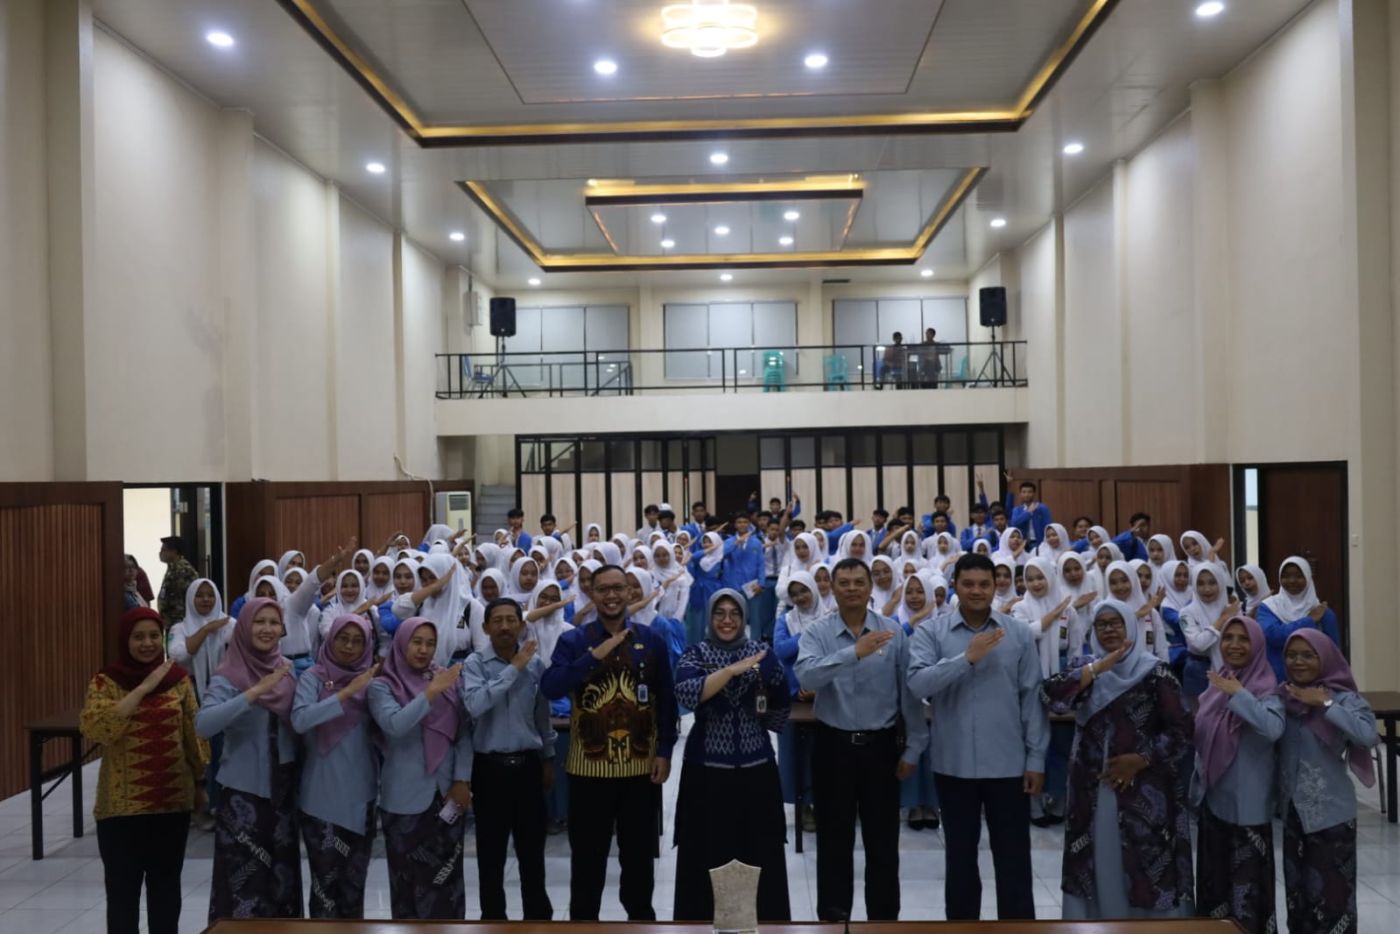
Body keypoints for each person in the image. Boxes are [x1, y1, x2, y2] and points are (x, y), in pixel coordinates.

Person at [906, 552, 1047, 920]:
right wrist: (965, 658)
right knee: (960, 860)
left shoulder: (1017, 633)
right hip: (954, 765)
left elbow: (1031, 698)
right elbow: (917, 683)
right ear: (955, 585)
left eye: (984, 584)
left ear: (996, 586)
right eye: (968, 583)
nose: (976, 591)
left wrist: (1036, 757)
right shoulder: (931, 632)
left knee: (1014, 860)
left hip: (1008, 765)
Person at [1040, 599, 1194, 919]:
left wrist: (1141, 759)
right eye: (1102, 624)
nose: (1109, 629)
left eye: (1116, 623)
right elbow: (1051, 696)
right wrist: (1097, 669)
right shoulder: (1086, 668)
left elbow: (1182, 731)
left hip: (1144, 791)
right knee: (1097, 858)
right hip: (1092, 789)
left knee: (1144, 863)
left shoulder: (1155, 672)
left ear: (1131, 627)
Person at [541, 564, 678, 921]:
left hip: (640, 770)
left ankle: (641, 923)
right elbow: (550, 687)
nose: (612, 595)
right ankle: (583, 926)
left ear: (630, 592)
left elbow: (666, 700)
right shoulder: (574, 640)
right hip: (588, 771)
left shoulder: (651, 640)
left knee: (639, 862)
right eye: (603, 589)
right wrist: (593, 657)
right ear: (592, 594)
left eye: (619, 588)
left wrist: (664, 750)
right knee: (588, 862)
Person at [795, 557, 927, 922]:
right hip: (832, 747)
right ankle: (833, 921)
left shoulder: (893, 632)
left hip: (880, 749)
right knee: (833, 842)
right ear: (832, 589)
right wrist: (853, 652)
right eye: (844, 583)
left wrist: (914, 746)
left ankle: (883, 924)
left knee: (882, 843)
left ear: (870, 589)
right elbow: (806, 676)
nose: (852, 589)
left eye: (859, 582)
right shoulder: (818, 633)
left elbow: (909, 695)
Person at [80, 607, 207, 934]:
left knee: (166, 895)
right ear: (125, 640)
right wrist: (142, 688)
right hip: (119, 811)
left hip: (171, 804)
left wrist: (200, 782)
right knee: (122, 897)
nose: (148, 643)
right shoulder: (106, 682)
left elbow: (193, 736)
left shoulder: (178, 680)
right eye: (138, 637)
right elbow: (98, 729)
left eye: (153, 636)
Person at [672, 590, 792, 921]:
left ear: (744, 618)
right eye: (719, 613)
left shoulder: (762, 654)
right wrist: (730, 671)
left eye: (734, 613)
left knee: (759, 851)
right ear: (710, 618)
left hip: (756, 770)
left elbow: (782, 697)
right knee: (705, 852)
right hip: (706, 773)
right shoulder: (696, 653)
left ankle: (762, 924)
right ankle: (702, 924)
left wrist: (760, 722)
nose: (727, 620)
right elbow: (686, 693)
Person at [195, 598, 303, 921]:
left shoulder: (287, 670)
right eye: (259, 621)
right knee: (244, 886)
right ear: (243, 627)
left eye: (274, 622)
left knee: (281, 884)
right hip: (244, 796)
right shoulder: (228, 674)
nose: (267, 629)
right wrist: (253, 693)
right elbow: (203, 725)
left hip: (283, 795)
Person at [1276, 629, 1379, 933]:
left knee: (1333, 900)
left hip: (1332, 815)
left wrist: (1326, 704)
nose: (1298, 662)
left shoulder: (1344, 698)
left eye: (1308, 655)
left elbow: (1368, 736)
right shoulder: (1284, 697)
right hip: (1293, 814)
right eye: (1291, 655)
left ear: (1325, 658)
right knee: (1298, 898)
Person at [461, 598, 557, 920]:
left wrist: (548, 758)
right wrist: (514, 668)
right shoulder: (475, 664)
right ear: (485, 627)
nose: (504, 626)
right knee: (491, 856)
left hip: (528, 766)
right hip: (489, 770)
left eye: (510, 620)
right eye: (497, 621)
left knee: (532, 854)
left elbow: (542, 716)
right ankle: (493, 921)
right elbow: (475, 705)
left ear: (521, 624)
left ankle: (537, 921)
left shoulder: (536, 664)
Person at [370, 618, 473, 919]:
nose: (424, 649)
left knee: (448, 882)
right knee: (407, 883)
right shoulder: (382, 685)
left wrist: (462, 779)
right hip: (404, 798)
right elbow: (394, 725)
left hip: (447, 794)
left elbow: (464, 732)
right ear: (402, 644)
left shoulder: (446, 679)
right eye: (417, 642)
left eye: (430, 643)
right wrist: (429, 693)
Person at [1191, 615, 1283, 933]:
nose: (1234, 645)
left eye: (1243, 639)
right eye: (1228, 638)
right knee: (1214, 886)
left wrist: (1239, 694)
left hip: (1248, 809)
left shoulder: (1266, 687)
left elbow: (1273, 729)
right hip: (1214, 801)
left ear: (1257, 645)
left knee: (1247, 892)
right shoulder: (1218, 684)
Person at [289, 614, 381, 918]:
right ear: (331, 639)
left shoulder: (373, 682)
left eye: (357, 641)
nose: (349, 647)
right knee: (324, 890)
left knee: (354, 888)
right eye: (343, 638)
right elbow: (300, 720)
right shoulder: (313, 677)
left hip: (361, 797)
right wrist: (345, 693)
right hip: (320, 797)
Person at [167, 578, 233, 828]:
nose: (206, 599)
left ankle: (218, 806)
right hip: (191, 694)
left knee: (220, 749)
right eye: (200, 595)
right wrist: (206, 630)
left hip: (223, 692)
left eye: (210, 595)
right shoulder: (180, 628)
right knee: (196, 752)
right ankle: (199, 806)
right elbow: (178, 654)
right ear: (190, 599)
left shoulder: (228, 623)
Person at [1257, 556, 1341, 680]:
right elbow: (1274, 636)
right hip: (1276, 682)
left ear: (1308, 577)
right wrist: (1309, 621)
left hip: (1314, 683)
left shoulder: (1323, 613)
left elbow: (1333, 653)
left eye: (1299, 576)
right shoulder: (1269, 607)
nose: (1292, 580)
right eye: (1285, 576)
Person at [156, 536, 199, 629]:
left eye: (164, 550)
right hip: (172, 622)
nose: (160, 553)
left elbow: (181, 598)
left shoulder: (183, 570)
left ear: (174, 552)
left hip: (180, 623)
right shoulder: (172, 568)